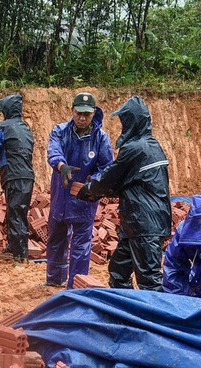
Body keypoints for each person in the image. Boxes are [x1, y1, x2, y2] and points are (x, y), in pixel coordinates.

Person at [75, 96, 171, 290]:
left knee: (150, 280)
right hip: (139, 222)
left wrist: (87, 191)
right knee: (118, 270)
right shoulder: (152, 145)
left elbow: (110, 178)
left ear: (132, 122)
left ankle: (155, 318)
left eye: (124, 121)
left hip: (145, 223)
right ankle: (125, 313)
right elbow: (129, 181)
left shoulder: (136, 149)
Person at [45, 92, 113, 287]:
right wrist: (60, 165)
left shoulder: (100, 138)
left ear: (93, 114)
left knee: (81, 245)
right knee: (56, 238)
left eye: (87, 115)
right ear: (72, 111)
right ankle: (54, 279)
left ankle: (76, 287)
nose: (82, 118)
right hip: (62, 192)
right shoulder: (60, 131)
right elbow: (54, 150)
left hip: (85, 197)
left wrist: (94, 183)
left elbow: (107, 166)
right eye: (79, 113)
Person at [0, 93, 35, 263]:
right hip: (27, 176)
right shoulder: (25, 128)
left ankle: (21, 257)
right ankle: (13, 247)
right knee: (17, 211)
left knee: (16, 214)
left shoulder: (3, 127)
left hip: (14, 176)